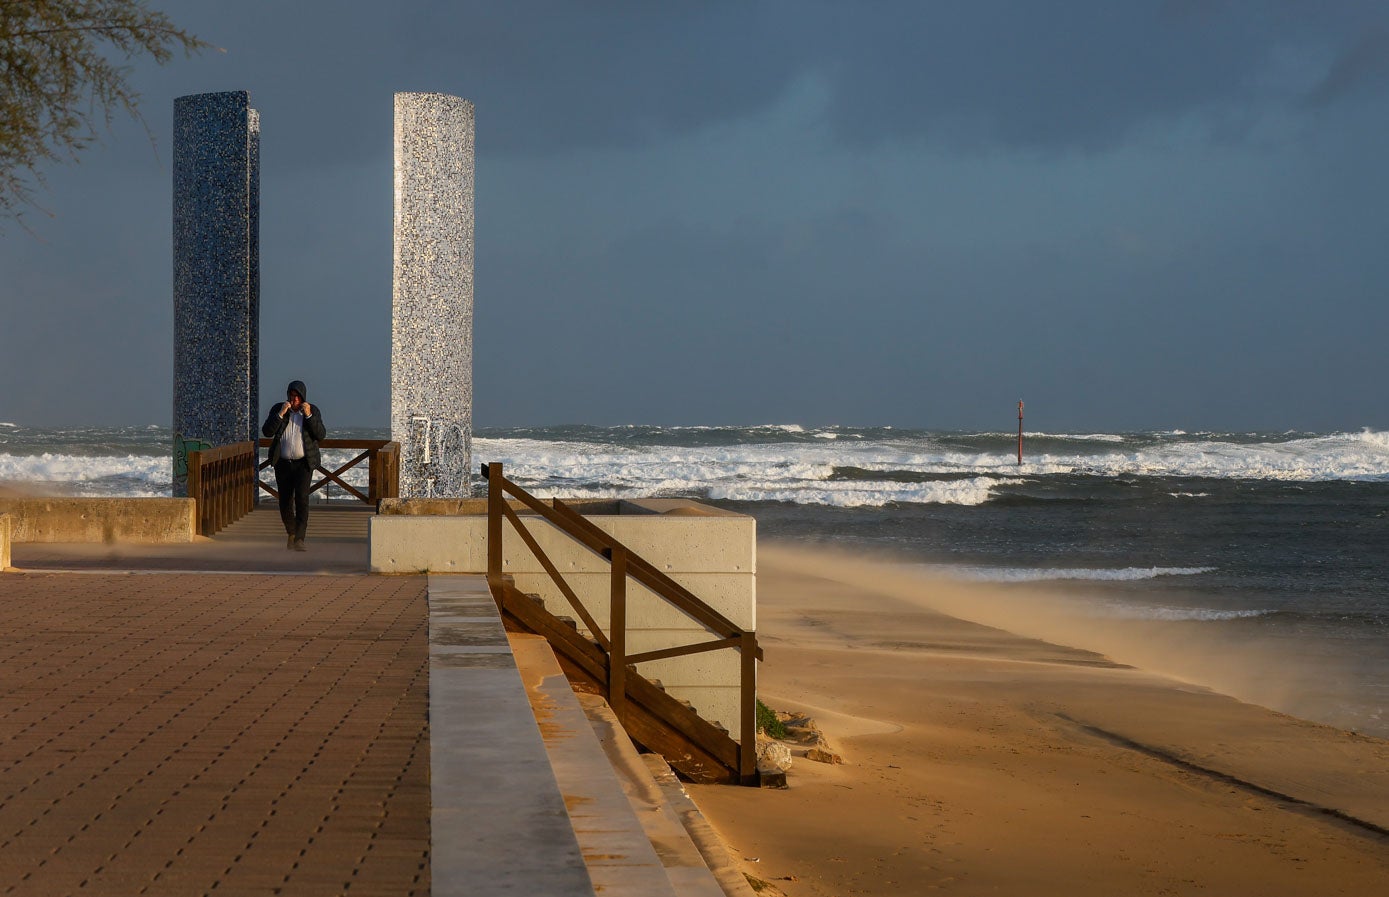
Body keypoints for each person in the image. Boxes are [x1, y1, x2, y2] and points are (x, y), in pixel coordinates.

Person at [262, 380, 325, 551]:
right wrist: (280, 414)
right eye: (292, 395)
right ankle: (291, 532)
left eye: (297, 396)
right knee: (285, 501)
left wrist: (309, 416)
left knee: (302, 499)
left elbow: (320, 434)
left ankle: (299, 539)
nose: (294, 399)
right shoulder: (279, 409)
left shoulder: (312, 410)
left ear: (303, 397)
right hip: (283, 463)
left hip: (303, 463)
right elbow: (267, 432)